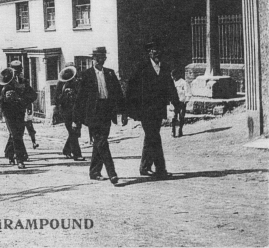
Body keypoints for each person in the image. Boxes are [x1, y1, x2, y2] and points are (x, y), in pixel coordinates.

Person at [72, 47, 127, 186]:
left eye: (102, 58)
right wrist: (75, 120)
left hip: (107, 112)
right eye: (97, 58)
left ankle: (94, 172)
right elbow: (80, 99)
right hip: (93, 114)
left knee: (99, 143)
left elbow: (118, 94)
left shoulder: (110, 73)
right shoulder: (86, 75)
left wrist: (124, 113)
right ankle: (112, 173)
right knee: (102, 142)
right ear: (93, 59)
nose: (100, 60)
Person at [127, 39, 180, 179]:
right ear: (149, 53)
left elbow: (170, 87)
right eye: (154, 51)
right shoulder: (141, 67)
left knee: (151, 137)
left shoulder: (164, 68)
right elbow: (131, 89)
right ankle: (160, 169)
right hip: (145, 110)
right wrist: (129, 110)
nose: (157, 54)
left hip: (158, 109)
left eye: (159, 51)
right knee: (154, 137)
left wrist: (176, 103)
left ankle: (144, 167)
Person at [0, 60, 37, 169]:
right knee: (15, 135)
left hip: (20, 111)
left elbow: (33, 95)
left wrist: (24, 100)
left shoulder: (24, 81)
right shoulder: (4, 81)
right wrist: (4, 98)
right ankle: (20, 159)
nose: (16, 74)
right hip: (8, 112)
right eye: (14, 71)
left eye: (18, 71)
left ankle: (9, 153)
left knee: (17, 134)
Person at [55, 63, 84, 161]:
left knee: (75, 132)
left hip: (77, 110)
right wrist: (65, 95)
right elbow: (56, 99)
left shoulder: (77, 82)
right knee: (72, 131)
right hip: (66, 111)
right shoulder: (61, 83)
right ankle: (77, 154)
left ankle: (66, 150)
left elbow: (81, 96)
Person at [169, 69, 191, 138]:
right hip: (174, 102)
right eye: (172, 76)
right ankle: (173, 130)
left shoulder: (183, 82)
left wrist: (186, 100)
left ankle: (180, 129)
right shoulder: (172, 83)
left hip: (181, 102)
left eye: (174, 76)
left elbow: (188, 93)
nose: (173, 77)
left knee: (181, 116)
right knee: (173, 116)